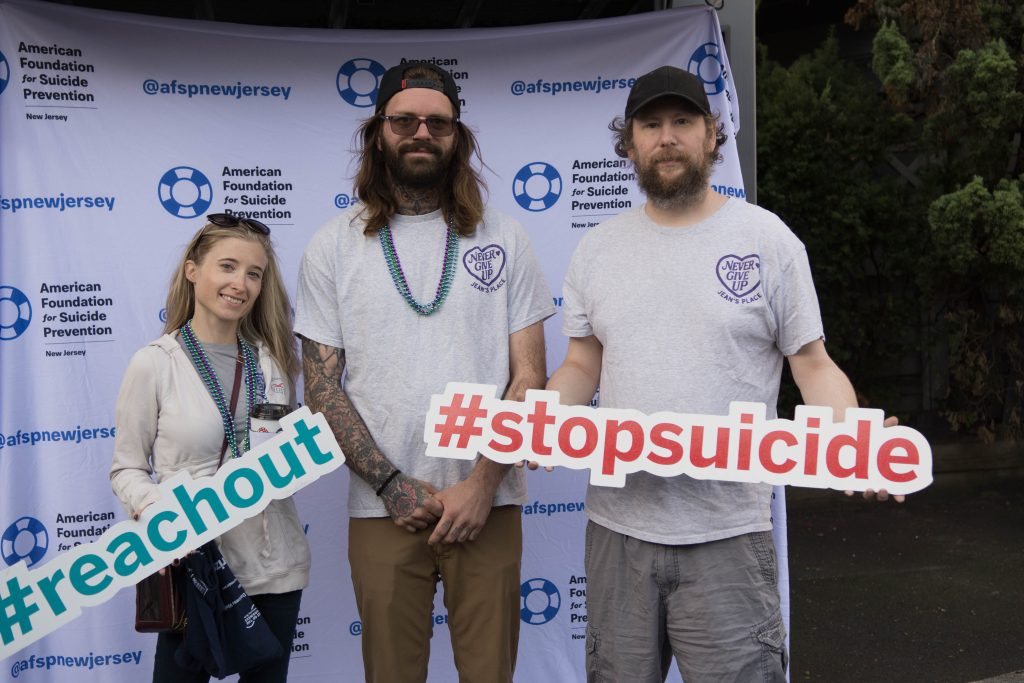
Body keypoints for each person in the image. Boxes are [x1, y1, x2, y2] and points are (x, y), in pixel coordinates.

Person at [546, 65, 902, 682]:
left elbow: (812, 364)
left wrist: (853, 442)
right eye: (650, 124)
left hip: (729, 534)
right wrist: (544, 421)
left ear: (712, 134)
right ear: (627, 143)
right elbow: (582, 363)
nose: (667, 137)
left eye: (683, 121)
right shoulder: (598, 249)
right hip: (618, 532)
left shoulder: (767, 240)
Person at [294, 61, 553, 683]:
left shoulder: (506, 238)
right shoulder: (333, 245)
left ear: (457, 137)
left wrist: (483, 483)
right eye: (404, 119)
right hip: (384, 508)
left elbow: (529, 378)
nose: (420, 132)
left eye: (438, 122)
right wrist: (389, 484)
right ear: (378, 132)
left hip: (487, 506)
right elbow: (322, 385)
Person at [110, 214, 307, 683]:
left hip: (274, 567)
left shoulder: (271, 362)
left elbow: (284, 457)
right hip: (194, 566)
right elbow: (127, 469)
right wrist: (161, 515)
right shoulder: (155, 364)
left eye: (254, 273)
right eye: (228, 266)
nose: (240, 283)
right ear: (193, 270)